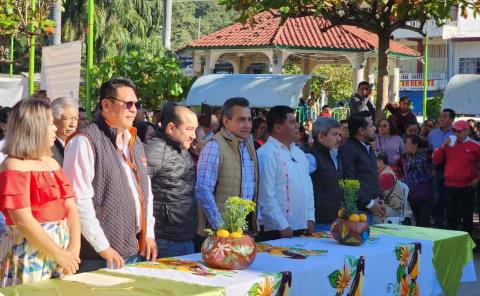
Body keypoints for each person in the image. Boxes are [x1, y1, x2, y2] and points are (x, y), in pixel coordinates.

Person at [64, 78, 157, 272]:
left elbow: (145, 191)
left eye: (136, 105)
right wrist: (103, 247)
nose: (134, 110)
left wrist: (149, 233)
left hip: (133, 248)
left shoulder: (134, 140)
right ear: (106, 104)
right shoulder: (84, 141)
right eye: (128, 104)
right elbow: (78, 201)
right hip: (97, 256)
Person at [0, 99, 81, 286]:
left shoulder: (51, 163)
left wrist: (73, 250)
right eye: (50, 123)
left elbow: (71, 208)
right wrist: (59, 253)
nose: (55, 129)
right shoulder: (13, 165)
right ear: (34, 128)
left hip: (62, 252)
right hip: (29, 254)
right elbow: (22, 219)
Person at [195, 97, 259, 237]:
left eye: (249, 119)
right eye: (241, 119)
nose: (247, 124)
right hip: (218, 233)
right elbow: (203, 190)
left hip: (243, 229)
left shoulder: (248, 145)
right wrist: (221, 227)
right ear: (226, 121)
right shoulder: (214, 146)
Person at [145, 103, 199, 258]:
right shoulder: (153, 150)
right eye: (189, 129)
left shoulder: (182, 149)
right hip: (163, 241)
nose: (194, 136)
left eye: (195, 129)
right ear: (170, 128)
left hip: (186, 236)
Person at [257, 106, 315, 241]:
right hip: (277, 231)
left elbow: (307, 187)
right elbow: (265, 195)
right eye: (292, 122)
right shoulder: (266, 154)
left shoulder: (299, 154)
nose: (298, 126)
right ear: (277, 127)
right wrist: (282, 225)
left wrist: (310, 216)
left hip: (302, 227)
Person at [432, 120, 480, 235]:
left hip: (467, 187)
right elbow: (435, 160)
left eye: (459, 131)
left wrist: (477, 179)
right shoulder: (448, 144)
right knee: (450, 216)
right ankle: (452, 244)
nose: (456, 134)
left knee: (467, 217)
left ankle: (468, 245)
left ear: (467, 131)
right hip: (449, 186)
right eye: (454, 131)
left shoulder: (475, 146)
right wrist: (442, 147)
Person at [340, 111, 386, 223]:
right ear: (361, 130)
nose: (375, 128)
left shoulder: (368, 148)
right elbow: (349, 181)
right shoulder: (348, 149)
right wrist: (370, 203)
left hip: (371, 208)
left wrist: (379, 199)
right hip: (357, 212)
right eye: (371, 125)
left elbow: (371, 176)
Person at [307, 117, 343, 228]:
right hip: (319, 223)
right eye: (335, 134)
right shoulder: (310, 158)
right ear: (321, 136)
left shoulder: (333, 154)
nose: (339, 139)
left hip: (334, 221)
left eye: (339, 134)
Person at [428, 108, 455, 228]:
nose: (441, 118)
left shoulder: (455, 134)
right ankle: (438, 223)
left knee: (449, 198)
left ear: (451, 120)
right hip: (436, 169)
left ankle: (450, 224)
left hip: (451, 169)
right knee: (436, 197)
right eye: (440, 116)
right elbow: (430, 151)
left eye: (445, 116)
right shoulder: (433, 133)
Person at [399, 135, 433, 227]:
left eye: (407, 143)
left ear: (415, 145)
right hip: (412, 193)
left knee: (424, 221)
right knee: (417, 219)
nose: (405, 145)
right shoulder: (406, 157)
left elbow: (430, 173)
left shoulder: (425, 157)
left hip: (423, 192)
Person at [375, 152, 403, 223]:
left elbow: (372, 193)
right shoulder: (384, 171)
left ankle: (377, 234)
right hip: (388, 205)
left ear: (380, 162)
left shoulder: (385, 175)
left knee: (373, 212)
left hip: (393, 209)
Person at [51, 97, 79, 166]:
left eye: (75, 119)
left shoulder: (78, 144)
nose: (73, 124)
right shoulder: (47, 148)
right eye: (67, 119)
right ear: (53, 120)